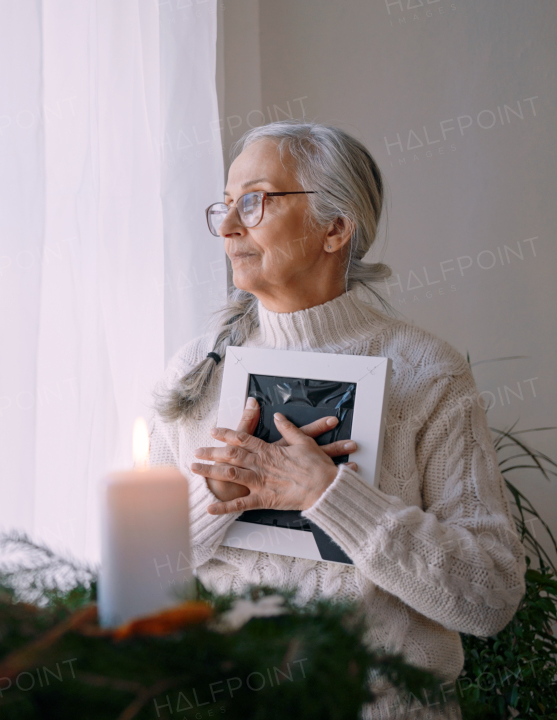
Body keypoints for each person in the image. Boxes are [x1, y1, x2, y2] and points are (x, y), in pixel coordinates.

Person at [149, 121, 526, 719]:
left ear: (336, 227)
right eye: (223, 206)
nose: (227, 227)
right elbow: (135, 583)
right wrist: (212, 496)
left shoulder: (426, 372)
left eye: (254, 201)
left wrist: (330, 495)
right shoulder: (193, 370)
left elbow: (490, 596)